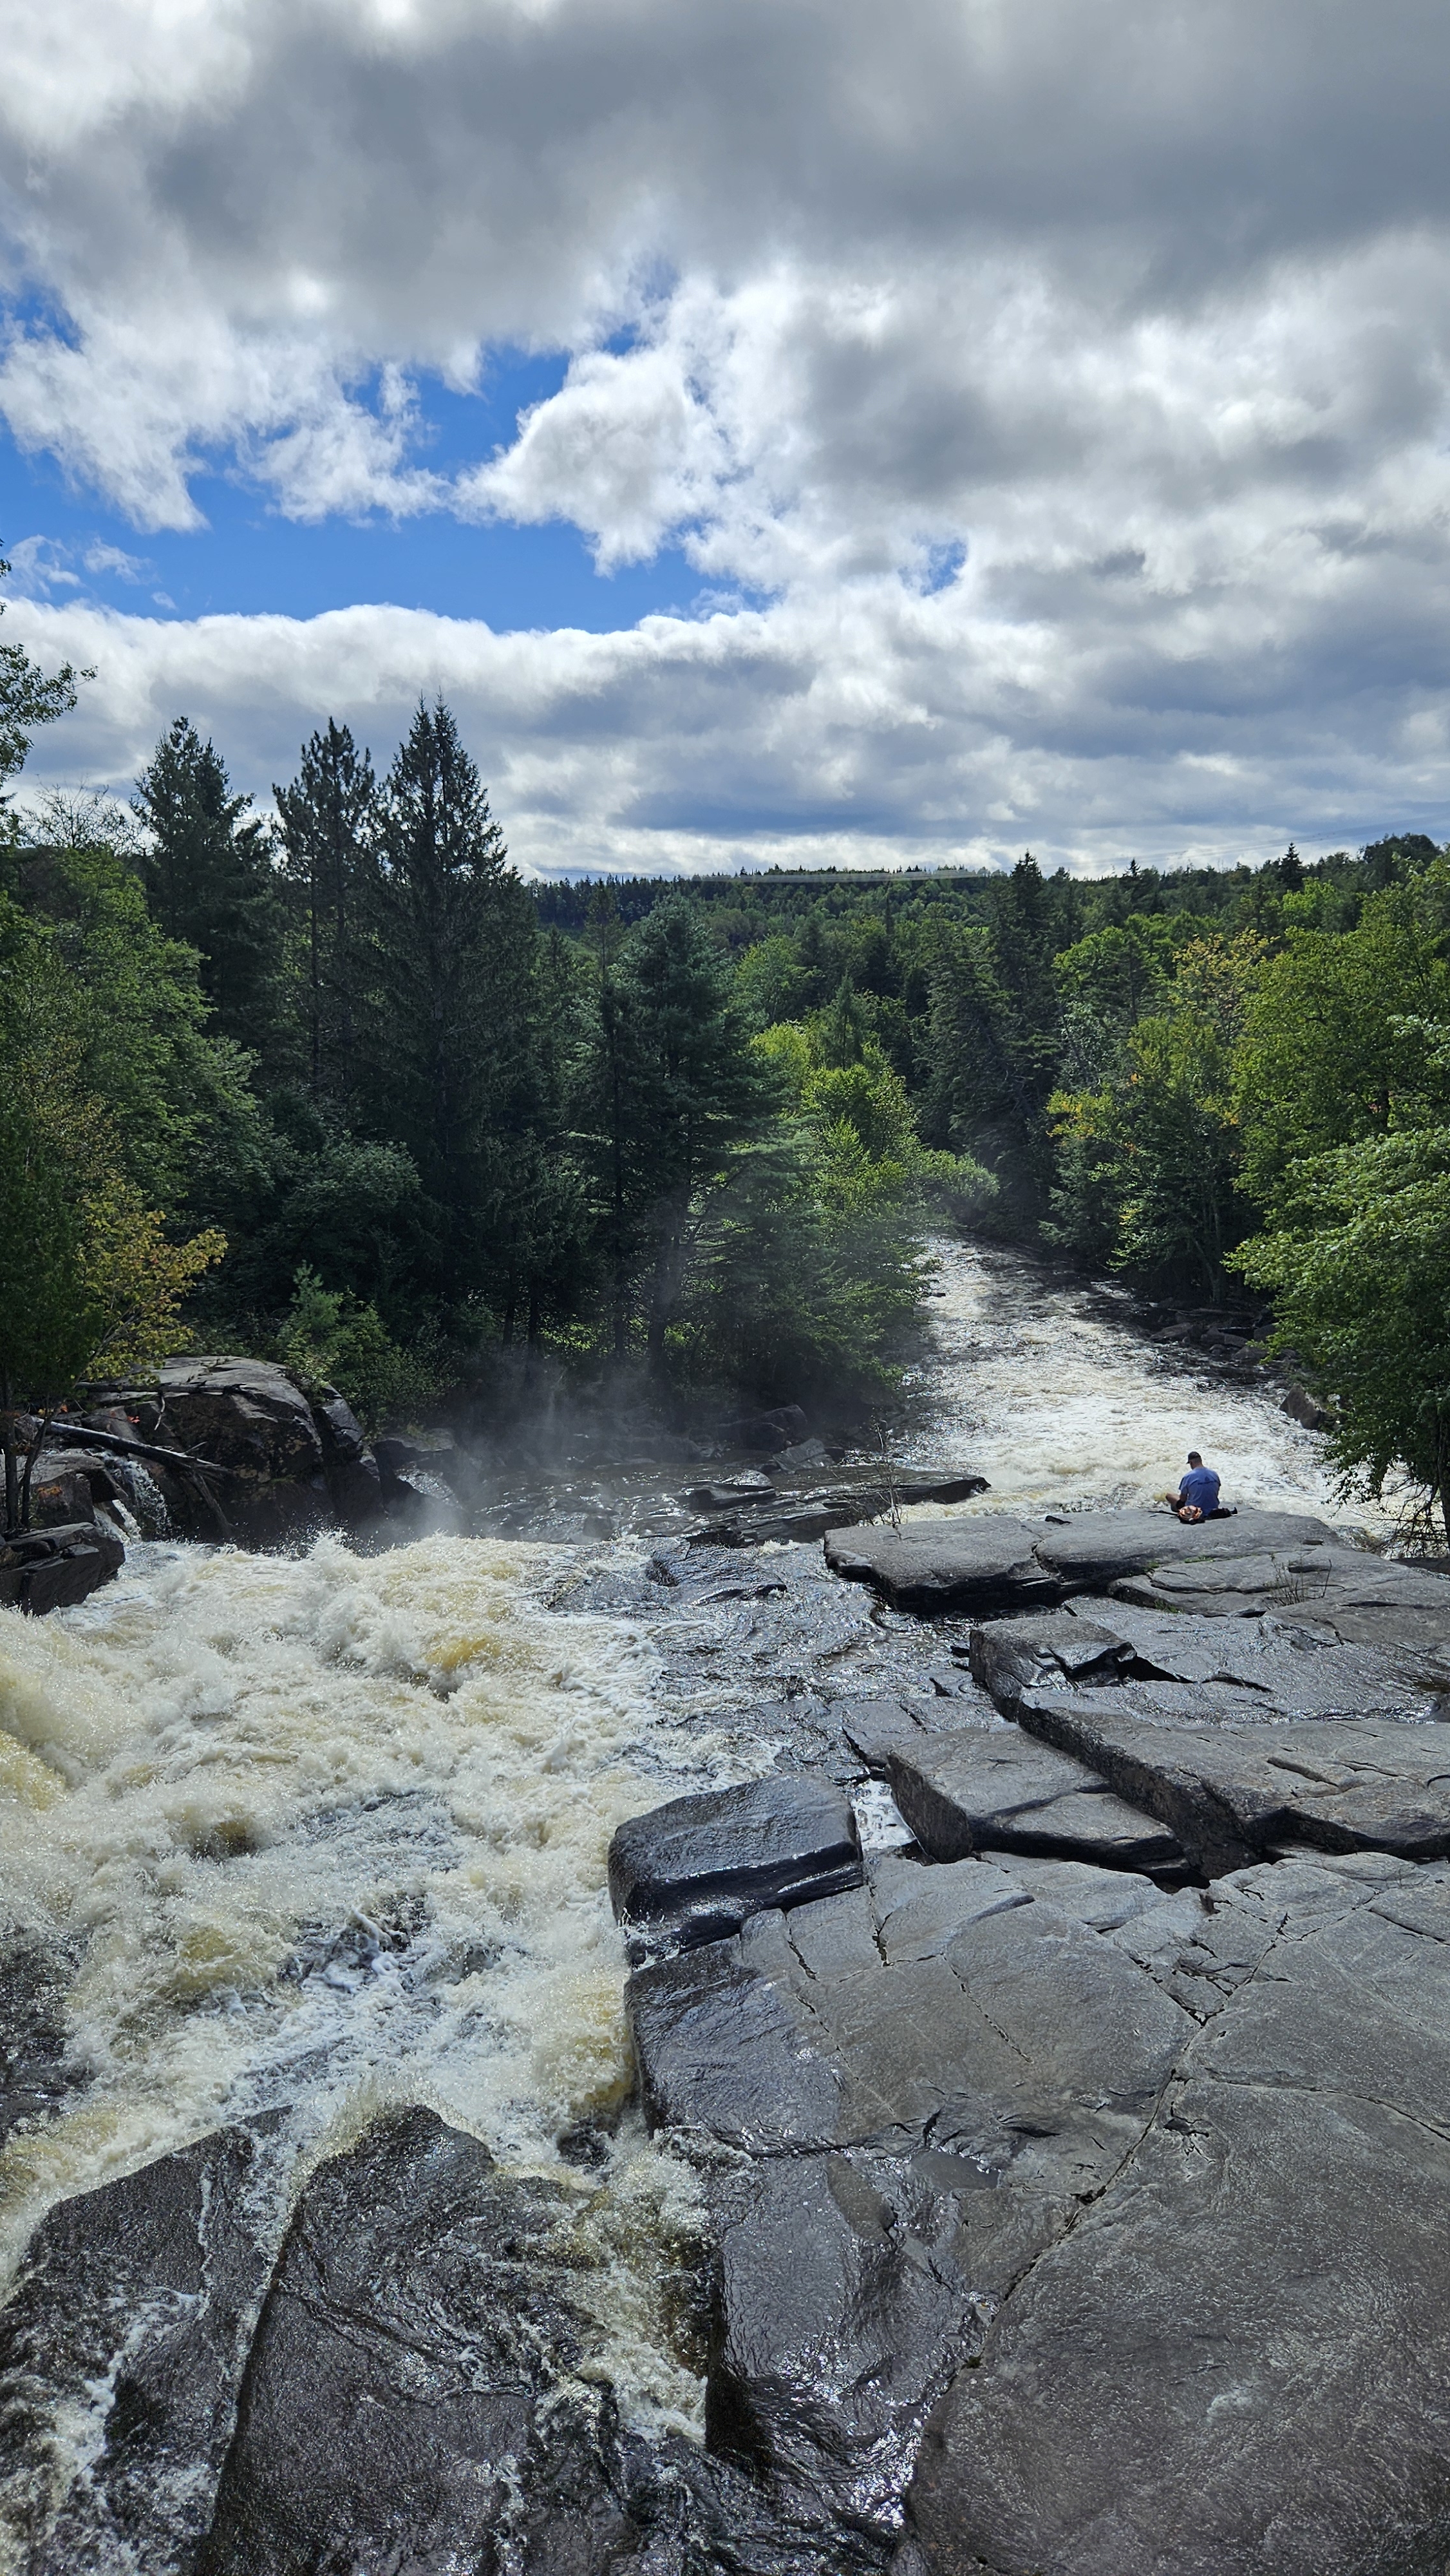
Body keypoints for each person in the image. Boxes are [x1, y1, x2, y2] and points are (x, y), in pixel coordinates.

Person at [1163, 1451, 1222, 1522]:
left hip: (1195, 1511)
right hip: (1213, 1509)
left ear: (1191, 1463)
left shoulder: (1188, 1476)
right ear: (1201, 1461)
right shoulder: (1214, 1474)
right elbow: (1216, 1491)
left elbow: (1183, 1499)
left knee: (1169, 1495)